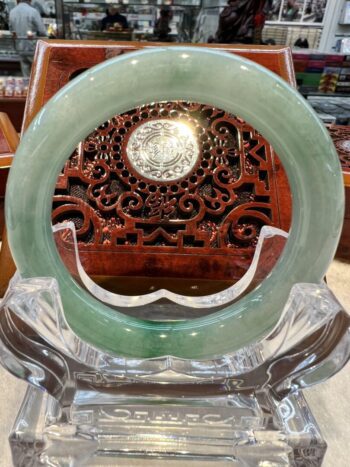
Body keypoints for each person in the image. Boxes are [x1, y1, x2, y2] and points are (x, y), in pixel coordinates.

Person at [9, 0, 47, 77]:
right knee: (37, 75)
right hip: (32, 49)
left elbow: (12, 31)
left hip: (20, 48)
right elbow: (42, 31)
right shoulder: (33, 11)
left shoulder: (12, 12)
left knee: (26, 77)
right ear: (30, 0)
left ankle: (28, 88)